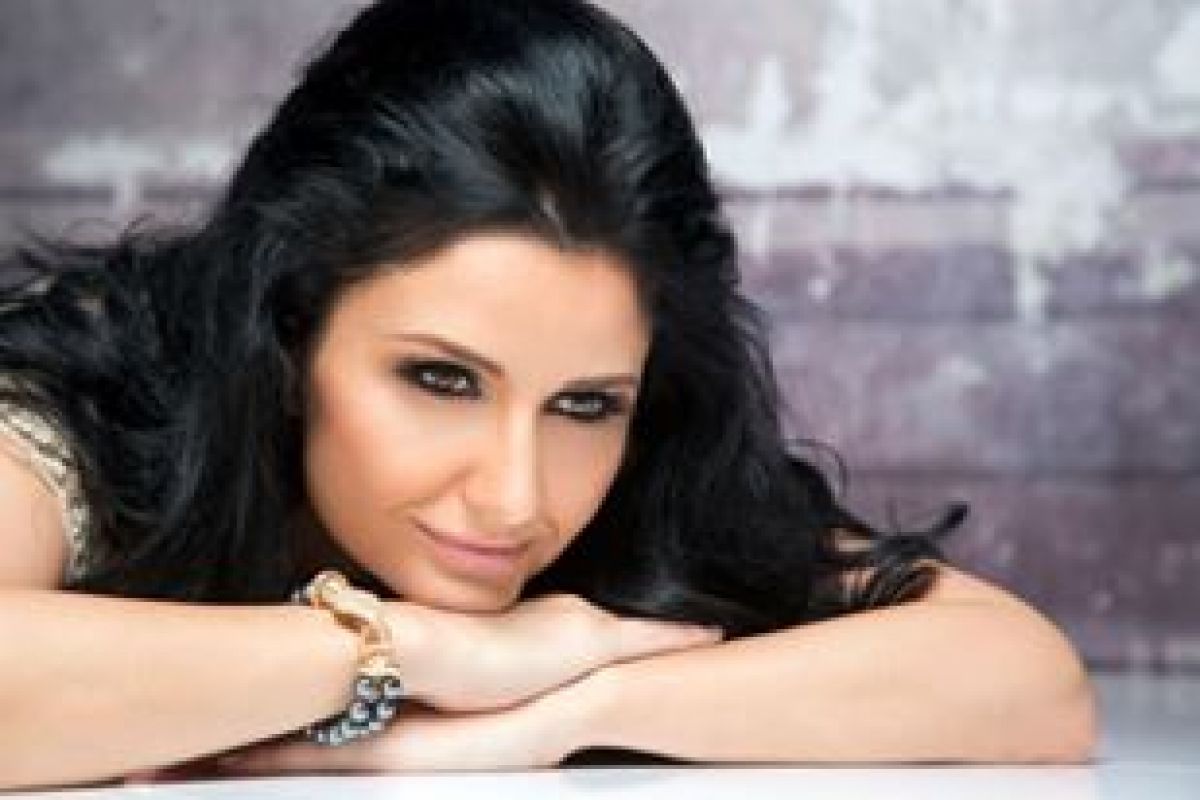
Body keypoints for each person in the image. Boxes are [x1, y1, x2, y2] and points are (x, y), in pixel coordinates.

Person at [0, 0, 1095, 790]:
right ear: (288, 326)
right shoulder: (97, 395)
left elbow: (1028, 682)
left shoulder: (649, 473)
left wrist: (564, 708)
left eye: (585, 405)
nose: (516, 498)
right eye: (440, 378)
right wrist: (407, 652)